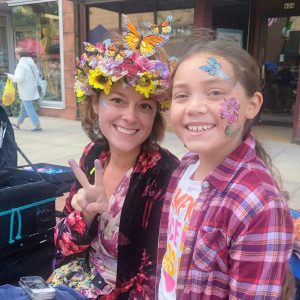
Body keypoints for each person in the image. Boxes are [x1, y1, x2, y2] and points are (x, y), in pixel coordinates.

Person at [48, 15, 179, 299]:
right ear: (96, 103)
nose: (130, 117)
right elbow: (63, 246)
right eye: (118, 100)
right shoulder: (94, 154)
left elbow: (155, 278)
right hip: (72, 280)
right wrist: (85, 214)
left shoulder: (165, 175)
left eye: (144, 105)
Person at [156, 33, 294, 299]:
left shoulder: (259, 203)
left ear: (252, 105)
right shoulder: (183, 169)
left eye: (215, 92)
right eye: (182, 95)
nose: (194, 107)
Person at [6, 47, 42, 131]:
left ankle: (37, 125)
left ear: (19, 55)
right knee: (24, 106)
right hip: (31, 88)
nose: (15, 56)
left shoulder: (21, 64)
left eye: (16, 54)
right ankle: (18, 123)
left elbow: (19, 79)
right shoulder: (30, 62)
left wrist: (10, 76)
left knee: (28, 107)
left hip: (26, 89)